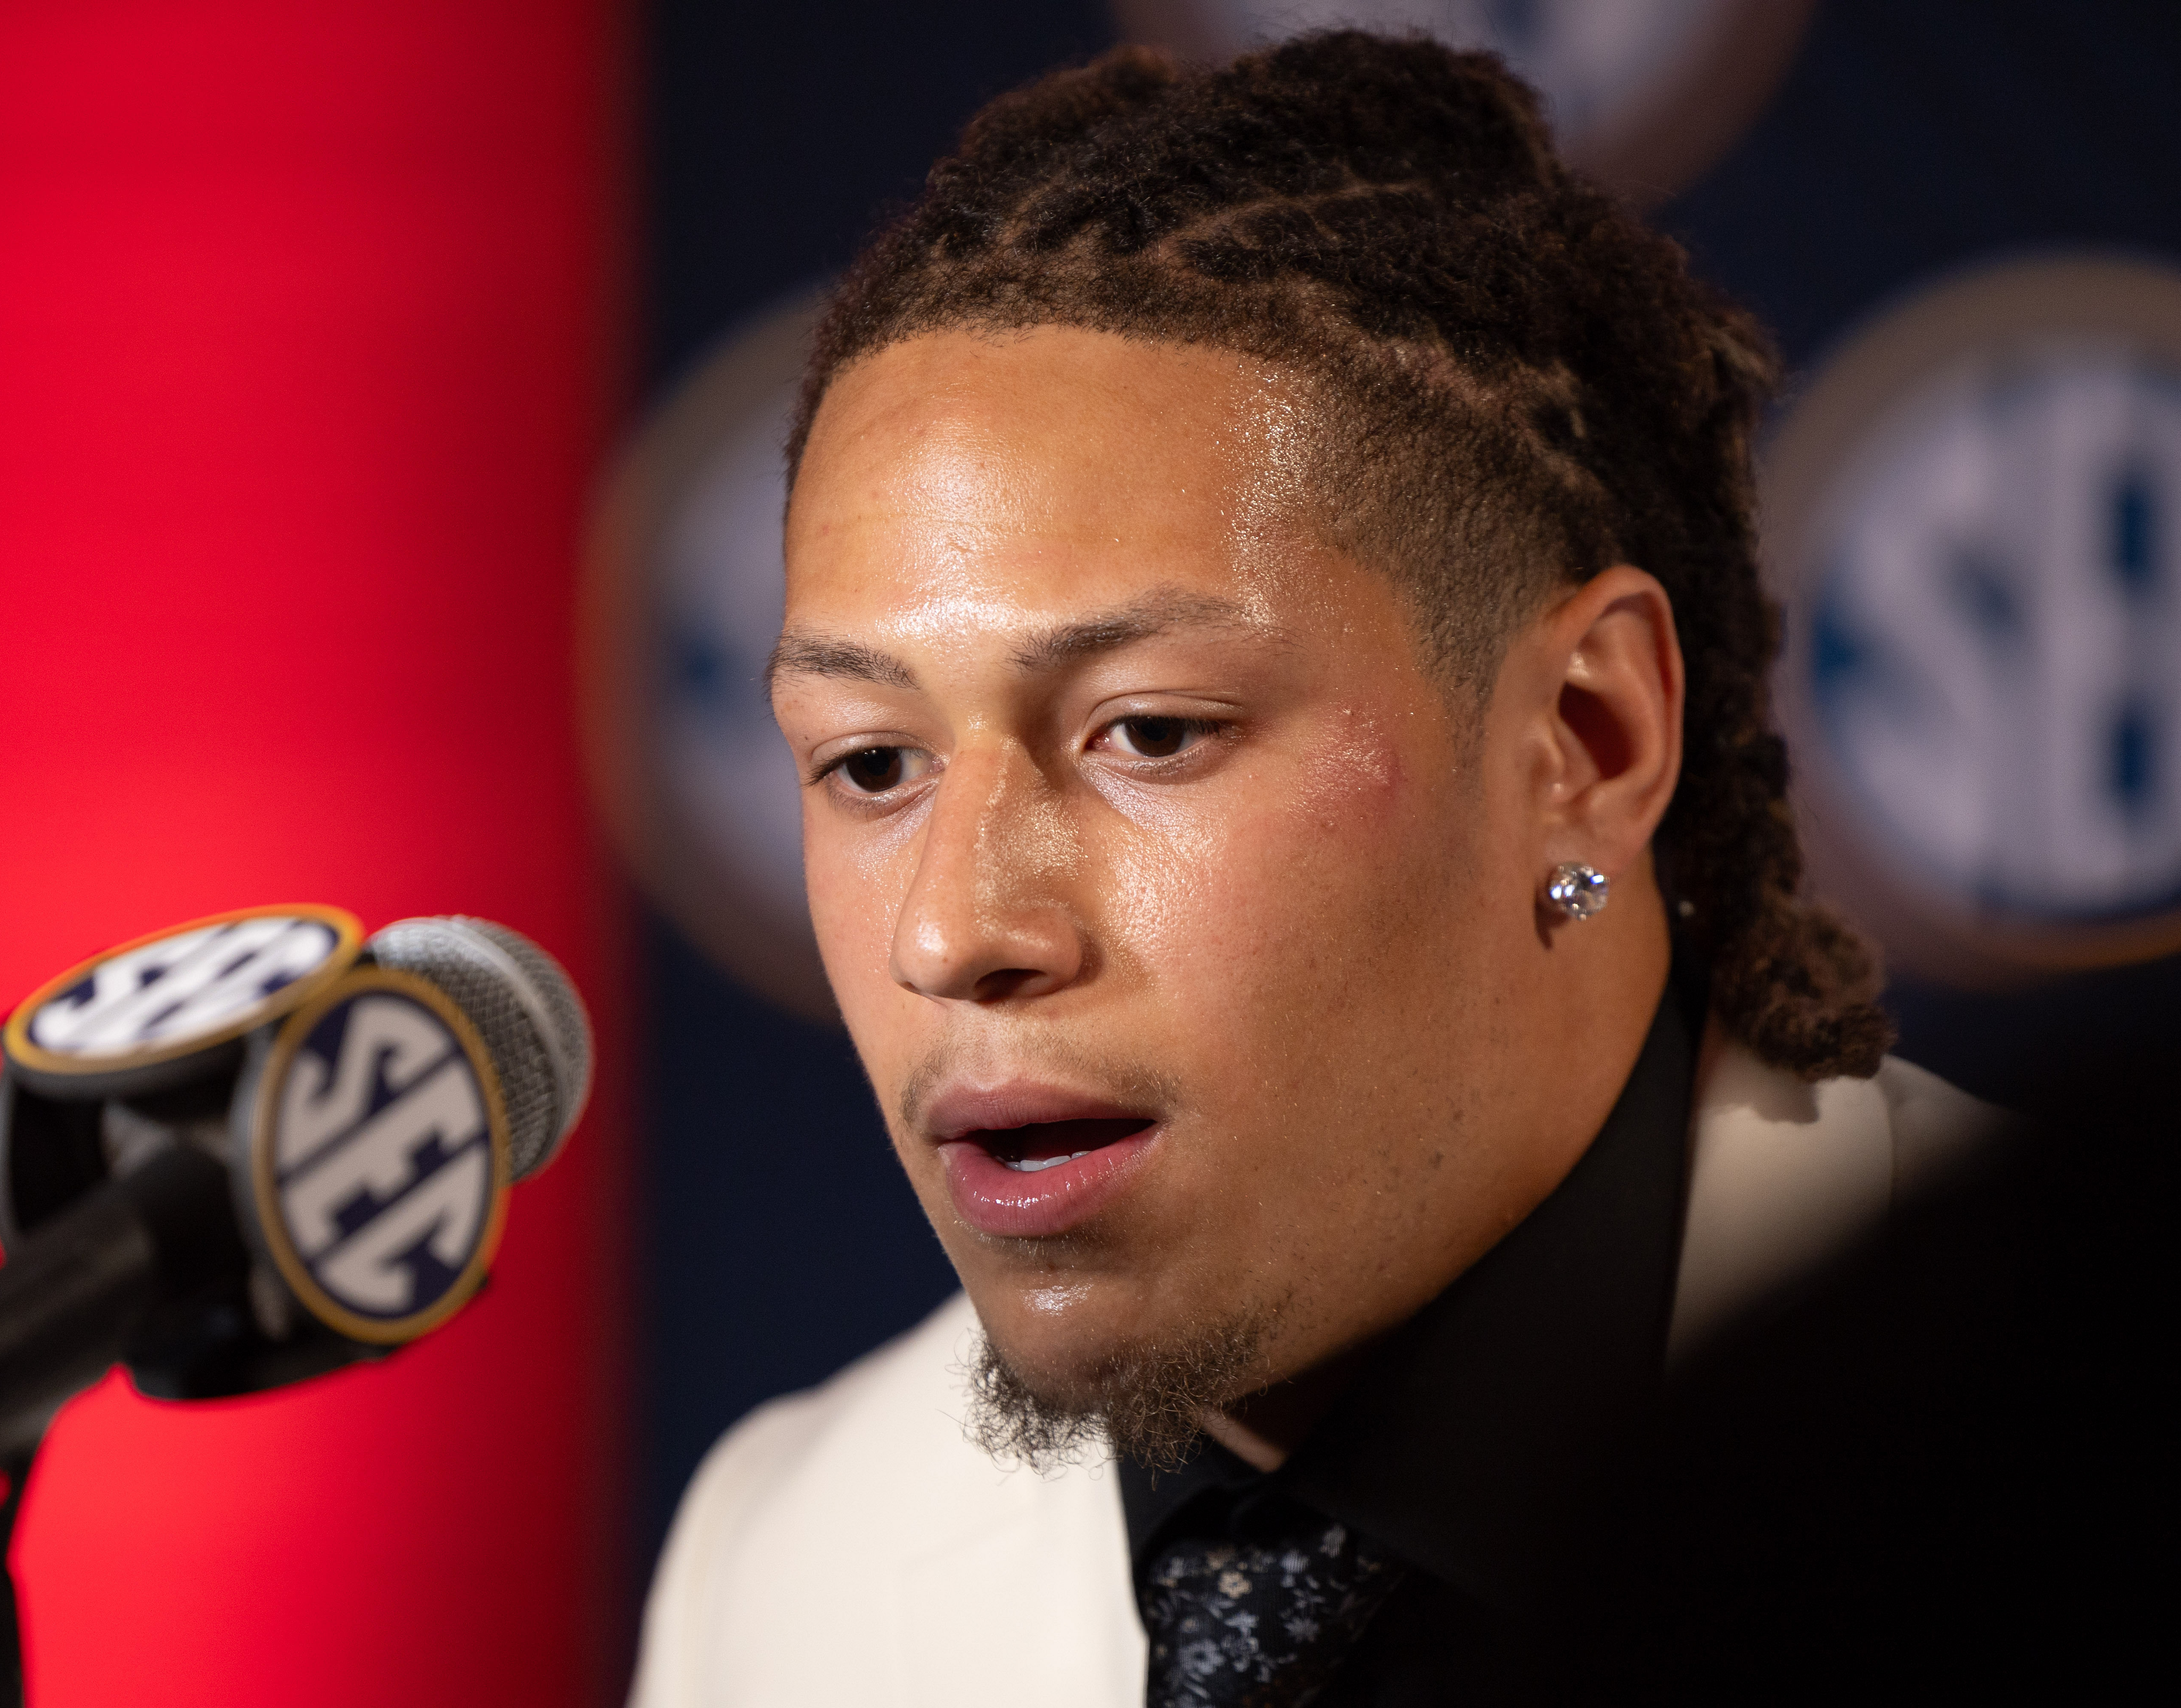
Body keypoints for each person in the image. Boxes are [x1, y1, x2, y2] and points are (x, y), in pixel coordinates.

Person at [630, 30, 2013, 1707]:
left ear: (1585, 741)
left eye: (1150, 733)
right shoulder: (792, 1556)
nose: (953, 929)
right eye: (869, 763)